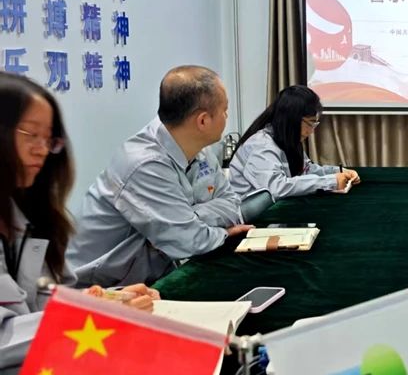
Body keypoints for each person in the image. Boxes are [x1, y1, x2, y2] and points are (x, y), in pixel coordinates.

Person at [0, 73, 156, 371]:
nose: (41, 149)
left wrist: (108, 301)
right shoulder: (144, 161)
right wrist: (97, 313)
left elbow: (42, 300)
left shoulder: (28, 215)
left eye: (49, 139)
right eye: (30, 134)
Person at [67, 66, 252, 287]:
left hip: (148, 277)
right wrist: (219, 233)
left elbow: (232, 204)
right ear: (203, 121)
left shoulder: (200, 150)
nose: (226, 117)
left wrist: (188, 218)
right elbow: (189, 240)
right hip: (95, 289)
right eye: (225, 110)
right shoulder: (144, 164)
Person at [229, 85, 360, 199]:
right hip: (250, 216)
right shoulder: (261, 146)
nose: (311, 131)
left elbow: (306, 170)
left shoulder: (287, 138)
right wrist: (329, 182)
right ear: (292, 119)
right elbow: (277, 188)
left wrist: (338, 172)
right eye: (310, 123)